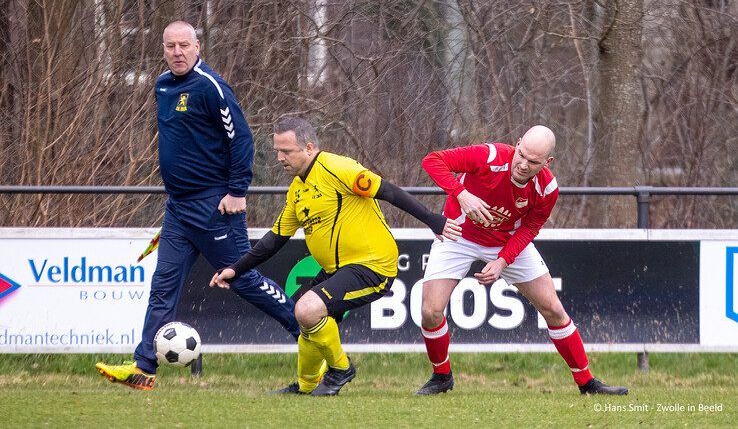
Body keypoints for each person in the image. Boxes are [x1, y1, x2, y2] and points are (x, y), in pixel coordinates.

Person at [95, 21, 299, 390]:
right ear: (162, 48)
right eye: (170, 46)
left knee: (244, 280)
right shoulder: (161, 85)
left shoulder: (210, 86)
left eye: (184, 45)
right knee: (163, 286)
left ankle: (309, 331)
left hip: (214, 206)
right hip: (178, 209)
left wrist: (238, 190)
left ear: (197, 46)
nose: (177, 52)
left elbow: (241, 139)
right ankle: (144, 368)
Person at [210, 117, 462, 396]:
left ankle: (341, 368)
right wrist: (236, 269)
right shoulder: (297, 189)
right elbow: (275, 239)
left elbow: (388, 191)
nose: (279, 158)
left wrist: (432, 220)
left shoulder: (338, 168)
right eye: (276, 151)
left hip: (372, 264)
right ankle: (308, 386)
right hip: (337, 268)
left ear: (308, 148)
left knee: (307, 310)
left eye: (286, 151)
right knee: (304, 318)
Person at [416, 126, 628, 396]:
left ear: (547, 163)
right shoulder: (489, 156)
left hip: (507, 241)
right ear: (517, 145)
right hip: (459, 235)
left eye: (533, 162)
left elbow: (529, 228)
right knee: (430, 311)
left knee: (553, 308)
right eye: (522, 155)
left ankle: (587, 383)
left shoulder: (547, 189)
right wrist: (461, 193)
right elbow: (432, 160)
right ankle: (441, 376)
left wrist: (503, 261)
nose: (523, 165)